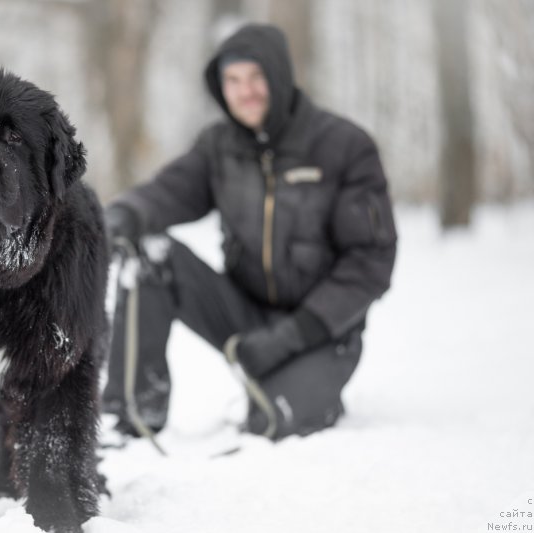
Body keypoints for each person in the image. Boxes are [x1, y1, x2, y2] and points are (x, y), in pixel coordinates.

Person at [102, 23, 397, 441]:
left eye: (257, 77)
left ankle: (306, 383)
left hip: (320, 329)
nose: (245, 92)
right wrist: (121, 217)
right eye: (233, 81)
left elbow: (371, 263)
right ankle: (129, 413)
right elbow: (168, 192)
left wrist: (291, 337)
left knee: (272, 420)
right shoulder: (218, 146)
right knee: (152, 254)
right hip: (244, 314)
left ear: (279, 76)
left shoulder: (345, 146)